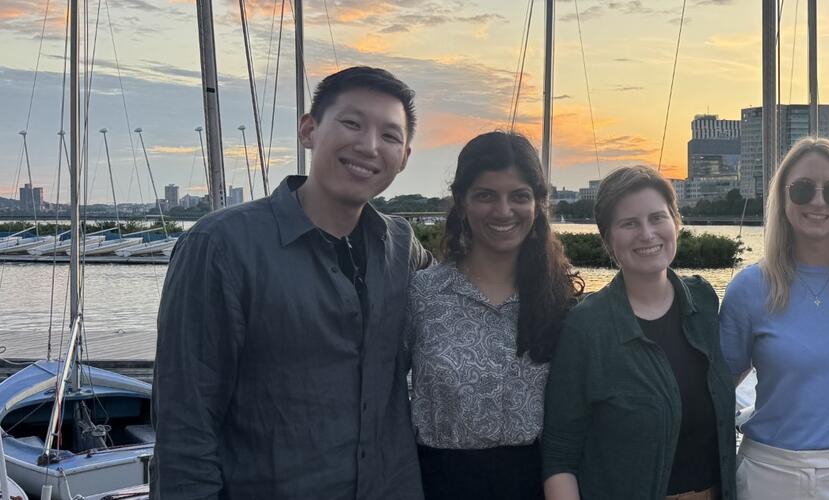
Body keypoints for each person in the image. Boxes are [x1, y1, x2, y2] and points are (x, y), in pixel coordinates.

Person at [152, 66, 431, 499]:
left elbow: (467, 295)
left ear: (405, 157)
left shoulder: (402, 247)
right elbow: (185, 423)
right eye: (352, 123)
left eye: (390, 136)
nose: (369, 145)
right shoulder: (221, 246)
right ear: (308, 130)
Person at [541, 166, 736, 500]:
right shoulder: (586, 327)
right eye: (629, 223)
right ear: (608, 239)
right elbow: (560, 453)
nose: (647, 234)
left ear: (676, 223)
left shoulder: (703, 301)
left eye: (657, 218)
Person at [407, 131, 582, 498]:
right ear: (461, 203)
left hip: (537, 485)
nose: (503, 211)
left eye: (519, 196)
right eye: (486, 195)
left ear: (537, 204)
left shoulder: (562, 301)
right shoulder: (421, 295)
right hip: (437, 484)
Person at [719, 138, 829, 500]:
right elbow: (718, 391)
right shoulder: (749, 288)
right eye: (803, 189)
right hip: (768, 476)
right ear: (782, 197)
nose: (818, 201)